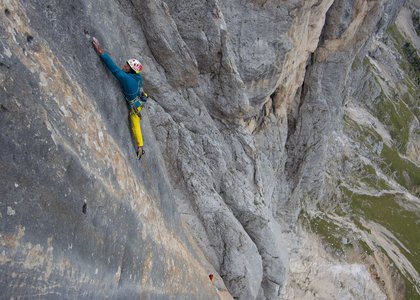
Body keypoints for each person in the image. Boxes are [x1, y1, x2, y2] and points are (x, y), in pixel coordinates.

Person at [92, 37, 146, 159]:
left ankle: (140, 147)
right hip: (139, 98)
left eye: (127, 66)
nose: (124, 66)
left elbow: (115, 70)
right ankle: (141, 146)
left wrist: (102, 53)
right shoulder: (137, 77)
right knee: (135, 121)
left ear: (131, 70)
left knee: (134, 123)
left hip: (135, 105)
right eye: (126, 65)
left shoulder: (127, 79)